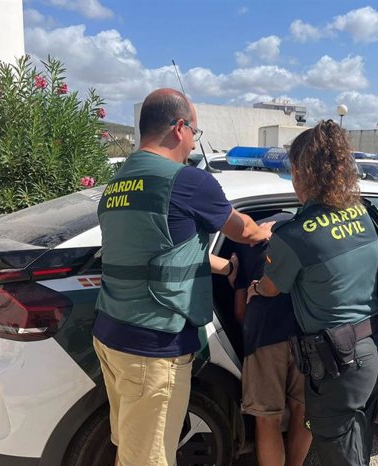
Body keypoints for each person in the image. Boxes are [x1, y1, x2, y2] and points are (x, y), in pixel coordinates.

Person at [93, 88, 272, 466]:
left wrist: (224, 267)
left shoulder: (119, 181)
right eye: (196, 132)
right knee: (150, 459)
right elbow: (246, 232)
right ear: (179, 128)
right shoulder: (187, 181)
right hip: (153, 346)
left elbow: (157, 249)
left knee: (131, 447)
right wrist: (270, 231)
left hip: (111, 334)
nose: (194, 141)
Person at [247, 120, 378, 466]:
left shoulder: (294, 236)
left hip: (337, 364)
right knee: (356, 441)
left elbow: (270, 288)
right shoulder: (364, 215)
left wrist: (253, 287)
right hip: (373, 352)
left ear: (300, 171)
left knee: (339, 455)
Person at [232, 212, 312, 466]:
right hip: (307, 333)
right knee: (303, 410)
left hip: (265, 335)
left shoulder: (246, 246)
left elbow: (240, 311)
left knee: (268, 418)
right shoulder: (306, 233)